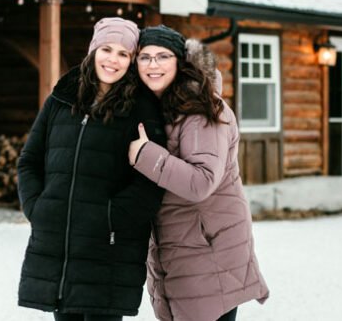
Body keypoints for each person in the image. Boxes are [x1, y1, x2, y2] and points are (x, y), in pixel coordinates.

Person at [17, 17, 169, 321]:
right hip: (60, 246)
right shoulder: (60, 100)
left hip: (108, 249)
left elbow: (151, 182)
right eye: (106, 49)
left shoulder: (142, 107)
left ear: (131, 60)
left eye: (123, 54)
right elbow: (29, 161)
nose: (112, 59)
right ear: (92, 51)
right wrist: (39, 207)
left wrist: (110, 218)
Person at [127, 27, 269, 321]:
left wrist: (145, 155)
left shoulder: (202, 109)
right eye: (145, 57)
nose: (153, 65)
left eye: (163, 56)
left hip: (208, 245)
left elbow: (201, 182)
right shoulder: (158, 107)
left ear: (180, 62)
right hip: (181, 244)